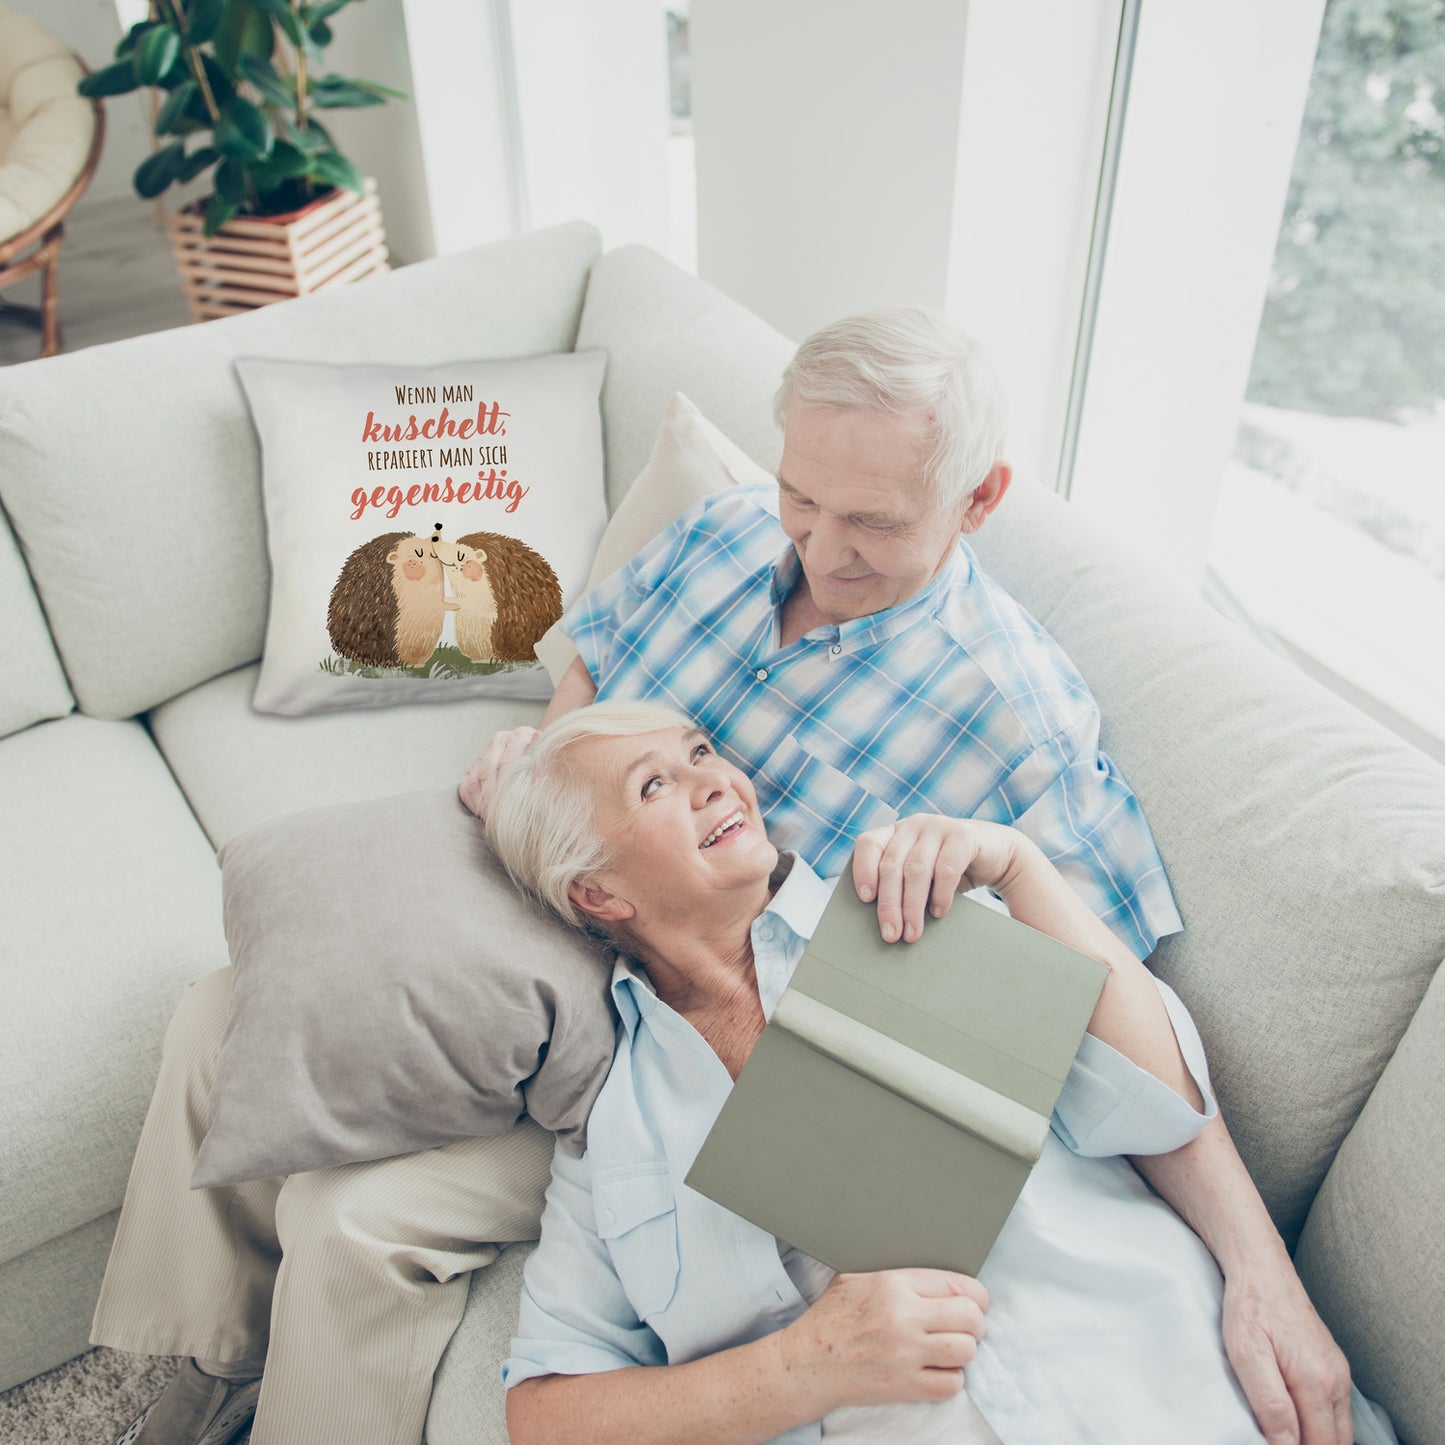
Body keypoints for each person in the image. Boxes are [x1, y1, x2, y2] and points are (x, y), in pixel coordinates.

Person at [94, 309, 1348, 1445]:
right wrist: (545, 766)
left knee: (355, 1218)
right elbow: (594, 666)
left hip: (691, 1012)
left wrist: (1260, 1267)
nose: (818, 545)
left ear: (976, 501)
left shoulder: (1016, 724)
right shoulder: (726, 532)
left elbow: (1103, 1020)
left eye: (871, 520)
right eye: (804, 495)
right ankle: (193, 1363)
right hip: (580, 886)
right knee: (229, 1007)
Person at [486, 700, 1383, 1445]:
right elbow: (545, 1412)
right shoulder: (614, 1132)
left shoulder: (909, 907)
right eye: (655, 784)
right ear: (597, 893)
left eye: (700, 752)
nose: (714, 779)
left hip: (1175, 1390)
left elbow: (1158, 1106)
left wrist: (1021, 869)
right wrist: (802, 1367)